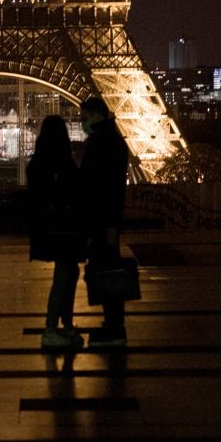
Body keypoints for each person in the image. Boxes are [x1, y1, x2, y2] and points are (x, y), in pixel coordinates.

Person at [27, 115, 86, 350]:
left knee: (68, 275)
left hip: (51, 228)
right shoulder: (62, 162)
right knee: (65, 277)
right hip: (65, 229)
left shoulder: (38, 162)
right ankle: (53, 327)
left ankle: (65, 326)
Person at [79, 96, 130, 347]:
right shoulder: (110, 139)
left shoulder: (102, 142)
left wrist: (108, 226)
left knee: (107, 272)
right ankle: (113, 325)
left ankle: (114, 329)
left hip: (102, 221)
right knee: (107, 272)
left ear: (97, 115)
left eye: (84, 118)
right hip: (104, 219)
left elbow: (103, 187)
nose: (82, 123)